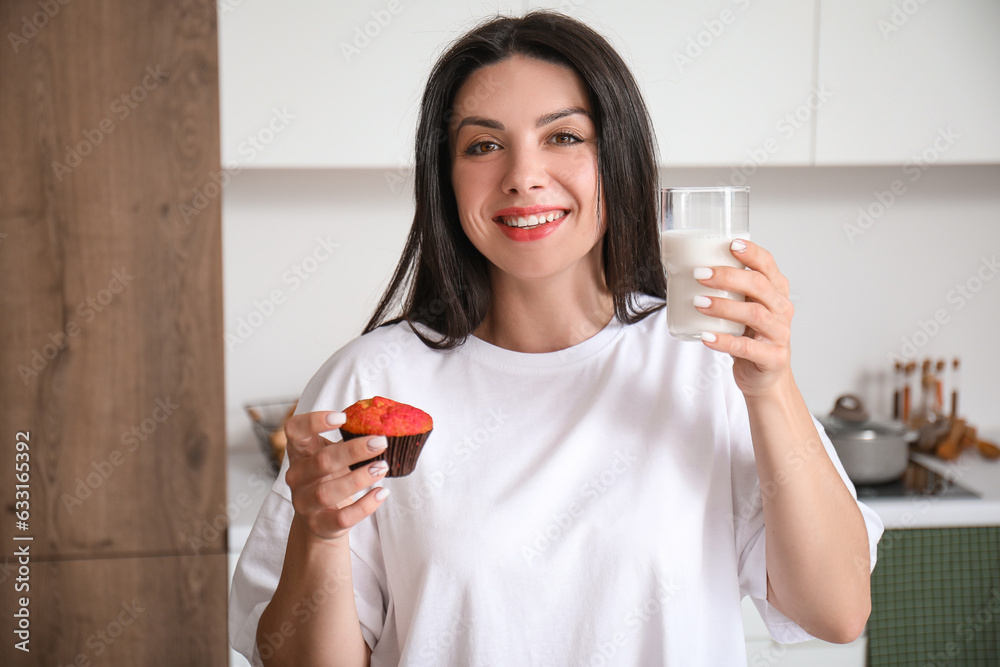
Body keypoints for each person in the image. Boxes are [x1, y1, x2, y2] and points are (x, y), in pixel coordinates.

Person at [230, 11, 883, 667]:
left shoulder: (710, 362)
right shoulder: (369, 383)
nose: (523, 174)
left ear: (617, 159)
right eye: (483, 145)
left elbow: (836, 608)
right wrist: (317, 534)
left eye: (564, 136)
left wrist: (770, 387)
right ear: (446, 178)